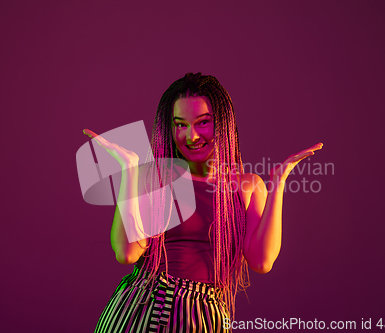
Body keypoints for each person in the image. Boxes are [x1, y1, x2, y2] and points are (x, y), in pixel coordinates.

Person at [83, 73, 323, 332]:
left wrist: (279, 182)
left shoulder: (248, 186)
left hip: (204, 316)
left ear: (222, 123)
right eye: (181, 124)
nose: (192, 136)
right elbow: (127, 253)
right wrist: (129, 172)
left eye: (203, 123)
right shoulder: (151, 177)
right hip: (140, 308)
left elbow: (262, 261)